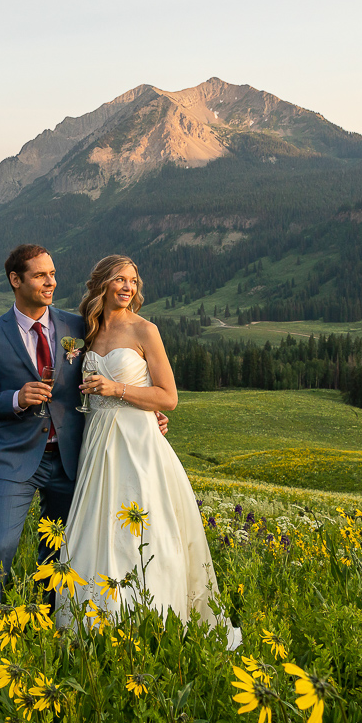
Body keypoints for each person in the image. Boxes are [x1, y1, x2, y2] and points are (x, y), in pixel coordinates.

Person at [0, 244, 168, 604]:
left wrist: (145, 411)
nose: (51, 282)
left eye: (54, 274)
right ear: (16, 280)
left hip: (75, 458)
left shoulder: (77, 326)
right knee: (0, 545)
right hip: (18, 460)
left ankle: (47, 615)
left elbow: (106, 370)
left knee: (61, 549)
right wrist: (15, 398)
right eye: (41, 275)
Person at [60, 254, 241, 649]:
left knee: (142, 531)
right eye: (120, 279)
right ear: (102, 284)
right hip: (97, 442)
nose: (128, 287)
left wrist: (119, 391)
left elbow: (169, 397)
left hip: (138, 446)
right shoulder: (87, 332)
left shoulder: (146, 331)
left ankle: (153, 619)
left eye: (133, 280)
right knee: (96, 527)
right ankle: (95, 622)